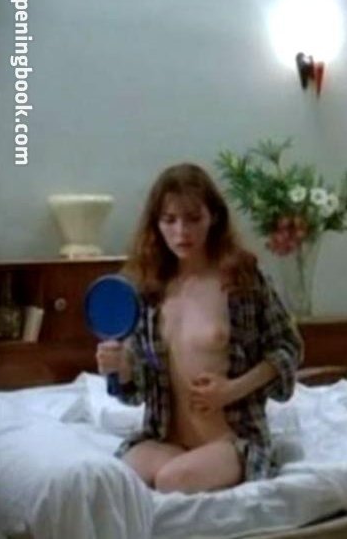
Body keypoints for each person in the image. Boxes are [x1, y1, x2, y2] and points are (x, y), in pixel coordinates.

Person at [96, 163, 303, 494]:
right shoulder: (149, 289)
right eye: (170, 220)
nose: (182, 232)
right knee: (117, 480)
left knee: (172, 480)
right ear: (156, 224)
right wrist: (120, 369)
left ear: (213, 217)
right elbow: (137, 388)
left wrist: (232, 389)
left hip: (230, 440)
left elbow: (288, 349)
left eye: (193, 219)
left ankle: (216, 466)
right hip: (166, 438)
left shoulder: (242, 280)